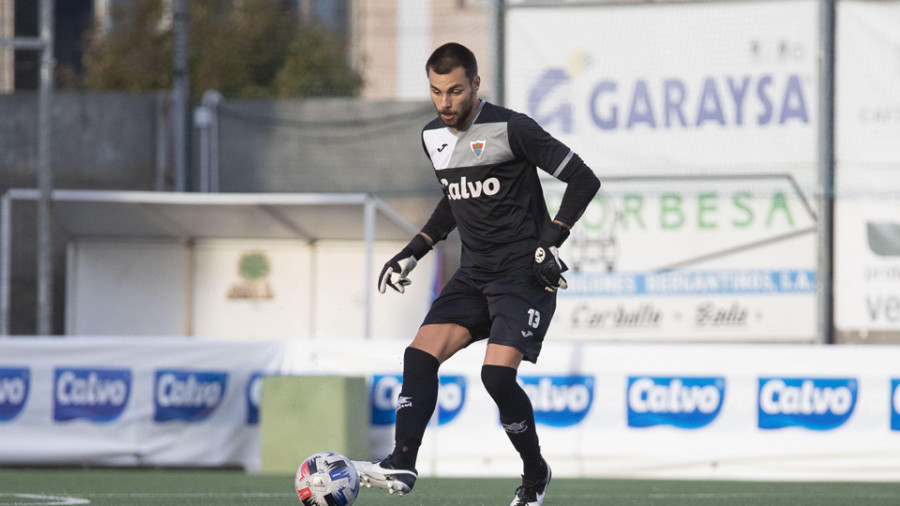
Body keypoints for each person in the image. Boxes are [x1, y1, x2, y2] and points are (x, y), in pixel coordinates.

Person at [353, 42, 600, 506]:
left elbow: (584, 178)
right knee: (418, 357)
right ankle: (402, 460)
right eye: (436, 92)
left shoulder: (512, 128)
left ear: (475, 85)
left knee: (496, 379)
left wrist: (552, 240)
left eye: (455, 91)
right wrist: (414, 251)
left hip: (522, 275)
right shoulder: (432, 137)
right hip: (473, 274)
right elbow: (455, 199)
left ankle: (534, 473)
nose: (445, 103)